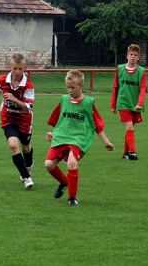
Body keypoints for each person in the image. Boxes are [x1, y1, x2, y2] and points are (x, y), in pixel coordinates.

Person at [45, 70, 114, 206]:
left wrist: (106, 142)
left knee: (71, 163)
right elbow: (62, 121)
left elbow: (97, 124)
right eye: (68, 87)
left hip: (78, 139)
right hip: (62, 137)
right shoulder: (64, 100)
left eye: (73, 87)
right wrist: (54, 134)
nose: (70, 90)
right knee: (49, 165)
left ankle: (72, 197)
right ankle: (64, 182)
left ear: (81, 86)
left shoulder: (88, 103)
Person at [0, 53, 35, 190]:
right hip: (8, 117)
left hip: (24, 119)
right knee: (13, 145)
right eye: (15, 68)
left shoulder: (28, 86)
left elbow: (28, 107)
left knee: (25, 147)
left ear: (25, 68)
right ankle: (26, 178)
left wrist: (14, 99)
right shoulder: (3, 79)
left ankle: (28, 166)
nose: (17, 72)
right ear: (10, 67)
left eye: (20, 69)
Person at [110, 44, 146, 160]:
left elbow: (142, 89)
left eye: (135, 55)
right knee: (129, 126)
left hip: (134, 104)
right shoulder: (120, 69)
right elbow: (115, 87)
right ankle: (133, 152)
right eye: (131, 54)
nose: (133, 56)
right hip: (123, 103)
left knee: (130, 128)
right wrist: (113, 104)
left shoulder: (141, 71)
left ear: (138, 57)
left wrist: (140, 103)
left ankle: (125, 153)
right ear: (127, 56)